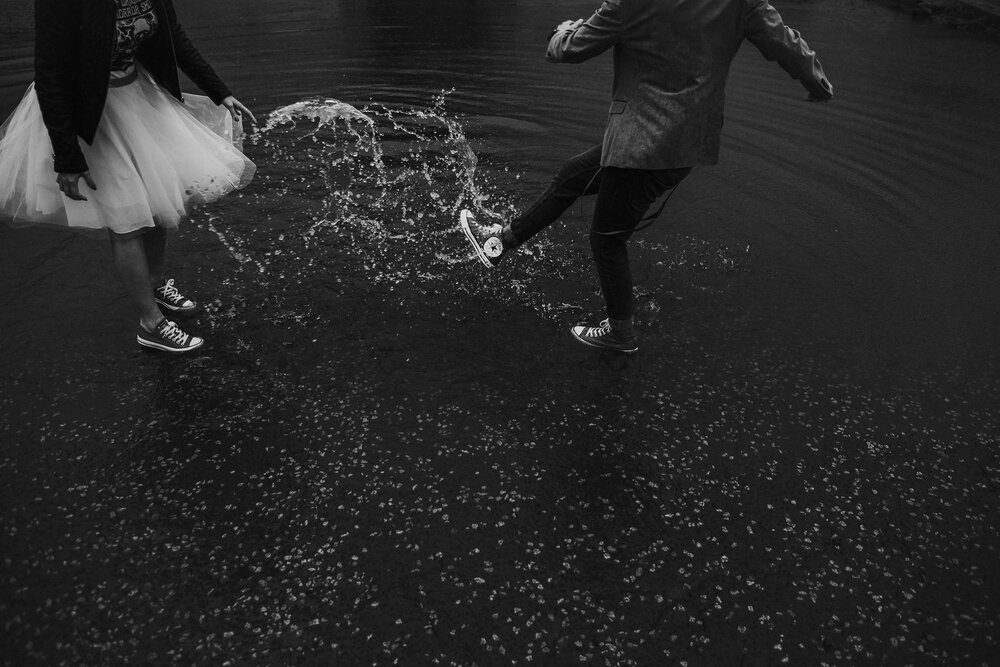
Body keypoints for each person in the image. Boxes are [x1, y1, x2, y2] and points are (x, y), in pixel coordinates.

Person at [460, 0, 833, 354]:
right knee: (573, 174)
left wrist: (562, 31)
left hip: (639, 143)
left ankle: (620, 333)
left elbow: (569, 50)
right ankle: (500, 243)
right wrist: (816, 82)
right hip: (688, 142)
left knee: (607, 239)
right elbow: (785, 42)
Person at [0, 0, 257, 353]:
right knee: (129, 218)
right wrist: (68, 158)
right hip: (89, 115)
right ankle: (150, 323)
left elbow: (173, 38)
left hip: (137, 96)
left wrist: (219, 90)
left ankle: (154, 284)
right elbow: (50, 74)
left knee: (159, 203)